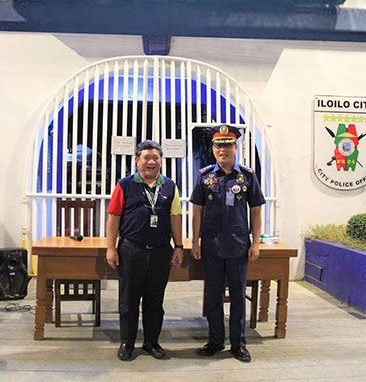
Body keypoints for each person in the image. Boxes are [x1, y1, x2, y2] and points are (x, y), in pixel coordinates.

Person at [190, 125, 265, 363]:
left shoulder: (247, 176)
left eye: (227, 145)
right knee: (212, 296)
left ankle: (238, 344)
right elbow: (197, 212)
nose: (223, 149)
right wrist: (195, 242)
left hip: (238, 245)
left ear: (236, 147)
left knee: (238, 296)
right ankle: (215, 341)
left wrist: (256, 242)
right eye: (218, 145)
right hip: (211, 246)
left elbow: (255, 211)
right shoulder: (204, 176)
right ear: (213, 149)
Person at [105, 140, 184, 361]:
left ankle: (151, 342)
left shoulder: (169, 186)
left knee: (155, 300)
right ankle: (127, 343)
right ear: (137, 160)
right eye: (146, 157)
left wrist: (178, 246)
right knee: (128, 300)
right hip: (132, 250)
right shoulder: (125, 185)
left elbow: (175, 216)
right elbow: (113, 217)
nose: (151, 162)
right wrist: (111, 248)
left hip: (160, 252)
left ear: (161, 161)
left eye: (155, 158)